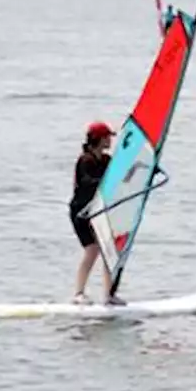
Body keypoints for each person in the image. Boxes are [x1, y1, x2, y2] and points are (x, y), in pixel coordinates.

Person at [69, 122, 126, 306]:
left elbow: (122, 173)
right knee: (92, 250)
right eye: (108, 137)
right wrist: (105, 180)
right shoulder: (85, 160)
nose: (110, 140)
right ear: (100, 140)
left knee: (109, 249)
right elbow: (86, 182)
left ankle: (109, 295)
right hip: (81, 212)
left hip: (98, 211)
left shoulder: (106, 160)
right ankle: (78, 294)